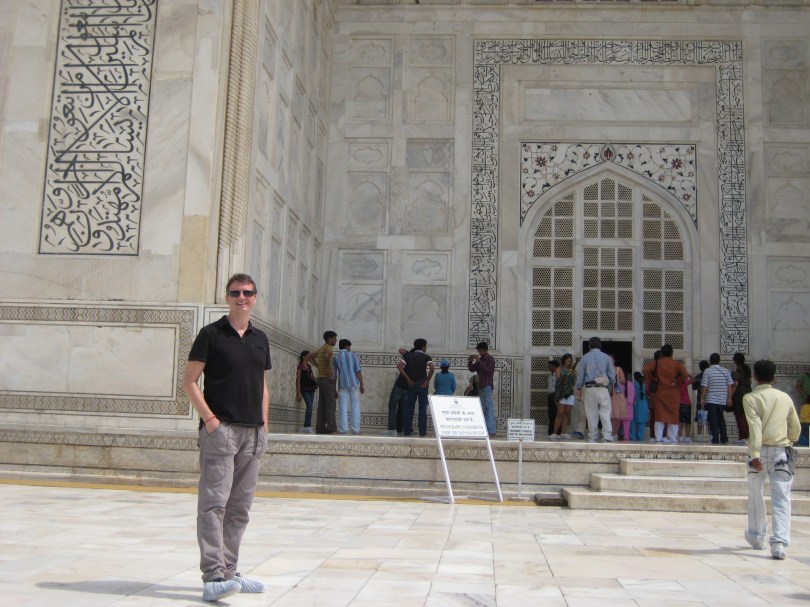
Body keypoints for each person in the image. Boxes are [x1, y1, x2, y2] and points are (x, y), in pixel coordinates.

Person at [182, 273, 269, 602]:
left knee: (239, 508)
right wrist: (210, 419)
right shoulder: (211, 334)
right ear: (227, 296)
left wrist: (265, 425)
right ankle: (214, 576)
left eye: (247, 292)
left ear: (255, 297)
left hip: (253, 432)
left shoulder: (260, 338)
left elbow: (262, 384)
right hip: (222, 431)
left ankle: (230, 571)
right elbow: (190, 381)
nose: (241, 297)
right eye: (235, 292)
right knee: (214, 505)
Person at [743, 359, 801, 560]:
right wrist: (790, 440)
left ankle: (757, 537)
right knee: (782, 498)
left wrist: (756, 454)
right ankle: (778, 544)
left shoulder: (750, 398)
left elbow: (755, 426)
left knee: (756, 494)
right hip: (780, 453)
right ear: (774, 377)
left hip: (759, 454)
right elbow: (795, 427)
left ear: (754, 377)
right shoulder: (784, 398)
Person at [643, 344, 689, 443]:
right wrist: (677, 381)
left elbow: (645, 370)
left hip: (660, 393)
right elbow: (685, 374)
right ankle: (672, 438)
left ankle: (659, 437)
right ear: (672, 353)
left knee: (659, 416)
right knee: (673, 416)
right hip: (673, 394)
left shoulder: (657, 363)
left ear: (662, 353)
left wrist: (652, 378)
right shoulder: (677, 364)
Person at [576, 337, 616, 442]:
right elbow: (612, 375)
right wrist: (615, 386)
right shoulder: (606, 357)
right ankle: (607, 435)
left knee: (591, 413)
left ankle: (593, 436)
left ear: (589, 345)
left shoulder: (585, 358)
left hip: (589, 389)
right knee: (605, 412)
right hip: (603, 388)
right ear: (600, 345)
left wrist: (579, 387)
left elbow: (581, 375)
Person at [398, 338, 435, 437]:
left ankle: (407, 431)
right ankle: (422, 433)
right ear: (423, 347)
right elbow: (432, 368)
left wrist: (408, 379)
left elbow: (399, 366)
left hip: (412, 385)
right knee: (422, 409)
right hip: (422, 385)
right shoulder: (426, 357)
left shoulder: (409, 356)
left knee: (409, 408)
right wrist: (427, 380)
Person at [307, 331, 337, 434]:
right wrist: (328, 368)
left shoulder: (321, 348)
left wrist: (318, 366)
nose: (335, 340)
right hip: (327, 379)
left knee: (322, 405)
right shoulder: (328, 347)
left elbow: (309, 357)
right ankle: (332, 429)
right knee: (331, 404)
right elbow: (327, 355)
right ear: (329, 339)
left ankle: (320, 429)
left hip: (320, 378)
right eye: (334, 338)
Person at [701, 353, 734, 444]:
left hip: (711, 399)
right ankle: (724, 438)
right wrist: (729, 398)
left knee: (713, 420)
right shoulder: (726, 371)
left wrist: (702, 397)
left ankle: (715, 438)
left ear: (710, 361)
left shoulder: (707, 371)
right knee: (721, 419)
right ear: (719, 361)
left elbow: (705, 386)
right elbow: (730, 385)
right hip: (722, 400)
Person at [333, 338, 364, 435]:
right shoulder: (353, 355)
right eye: (349, 346)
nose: (350, 348)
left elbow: (335, 375)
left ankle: (343, 429)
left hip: (342, 385)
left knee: (343, 407)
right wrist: (362, 384)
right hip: (354, 384)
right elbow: (357, 371)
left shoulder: (336, 357)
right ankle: (356, 430)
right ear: (347, 346)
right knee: (355, 406)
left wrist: (334, 388)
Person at [468, 341, 497, 437]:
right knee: (483, 408)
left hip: (487, 385)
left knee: (489, 408)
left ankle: (491, 430)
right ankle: (484, 429)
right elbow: (472, 369)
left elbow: (489, 370)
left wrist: (480, 361)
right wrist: (470, 361)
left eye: (480, 351)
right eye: (478, 351)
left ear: (485, 350)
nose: (479, 353)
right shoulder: (480, 359)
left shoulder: (490, 359)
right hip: (481, 386)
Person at [550, 354, 576, 440]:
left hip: (570, 394)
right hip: (561, 394)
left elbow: (574, 382)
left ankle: (563, 433)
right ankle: (554, 433)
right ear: (564, 360)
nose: (569, 362)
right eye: (567, 361)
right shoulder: (559, 369)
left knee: (567, 414)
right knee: (560, 413)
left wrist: (572, 374)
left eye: (570, 361)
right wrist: (567, 374)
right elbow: (558, 378)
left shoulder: (572, 371)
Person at [731, 352, 752, 444]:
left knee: (740, 416)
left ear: (735, 360)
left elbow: (735, 384)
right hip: (748, 392)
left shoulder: (738, 370)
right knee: (746, 416)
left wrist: (730, 396)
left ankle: (742, 436)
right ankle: (746, 436)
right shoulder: (747, 369)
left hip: (740, 394)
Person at [295, 350, 317, 433]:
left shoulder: (309, 366)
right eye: (308, 356)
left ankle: (307, 426)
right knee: (310, 406)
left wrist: (314, 378)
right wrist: (298, 392)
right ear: (304, 356)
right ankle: (306, 426)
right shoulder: (300, 366)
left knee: (310, 407)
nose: (309, 357)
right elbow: (298, 379)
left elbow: (310, 376)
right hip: (304, 389)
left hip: (311, 388)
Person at [692, 360, 710, 441]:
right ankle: (711, 436)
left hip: (700, 400)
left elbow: (694, 387)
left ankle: (699, 436)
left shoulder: (697, 377)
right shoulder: (710, 376)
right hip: (710, 400)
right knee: (710, 418)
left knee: (700, 418)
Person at [631, 371, 649, 441]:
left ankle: (633, 438)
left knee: (633, 424)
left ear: (634, 377)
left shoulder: (633, 385)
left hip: (635, 405)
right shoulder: (644, 385)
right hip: (643, 406)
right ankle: (640, 438)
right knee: (641, 425)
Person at [678, 377, 694, 443]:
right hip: (686, 403)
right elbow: (693, 380)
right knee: (687, 421)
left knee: (680, 421)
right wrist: (688, 374)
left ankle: (680, 437)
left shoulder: (675, 382)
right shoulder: (684, 381)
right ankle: (687, 437)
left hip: (678, 403)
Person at [546, 360, 559, 437]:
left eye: (550, 366)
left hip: (555, 396)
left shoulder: (557, 375)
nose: (549, 368)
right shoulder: (550, 376)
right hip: (550, 396)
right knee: (550, 414)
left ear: (555, 367)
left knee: (556, 414)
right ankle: (550, 433)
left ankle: (557, 432)